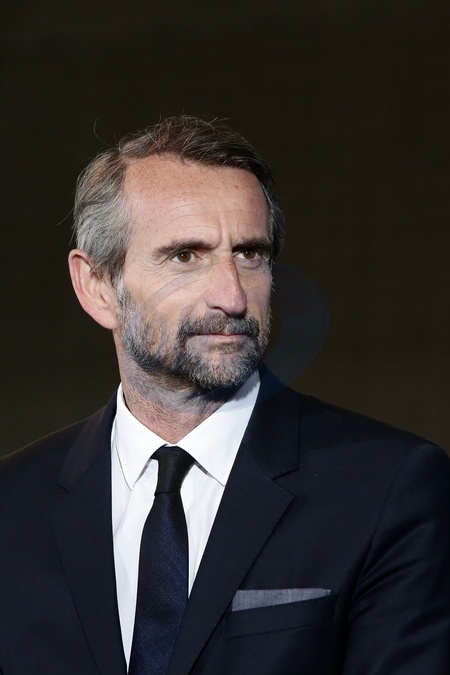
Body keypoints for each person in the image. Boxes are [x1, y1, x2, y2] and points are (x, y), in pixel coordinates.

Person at [0, 115, 449, 675]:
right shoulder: (11, 504)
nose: (233, 296)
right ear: (97, 287)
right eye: (185, 256)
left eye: (249, 254)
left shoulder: (389, 487)